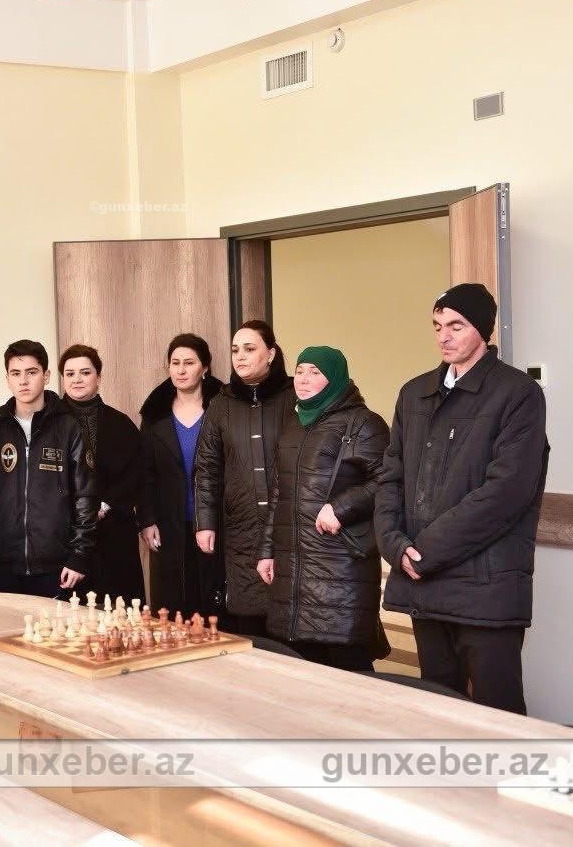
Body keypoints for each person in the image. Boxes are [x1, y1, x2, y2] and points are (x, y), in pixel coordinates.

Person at [375, 283, 549, 714]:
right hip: (424, 584)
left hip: (485, 586)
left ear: (483, 330)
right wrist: (394, 545)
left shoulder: (518, 393)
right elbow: (390, 477)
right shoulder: (414, 393)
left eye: (456, 326)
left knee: (497, 715)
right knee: (437, 709)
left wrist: (424, 552)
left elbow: (507, 492)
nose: (443, 336)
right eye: (437, 326)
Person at [256, 347, 391, 671]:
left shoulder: (364, 423)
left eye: (315, 372)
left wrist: (341, 508)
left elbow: (388, 480)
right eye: (300, 371)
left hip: (340, 564)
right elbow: (280, 493)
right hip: (294, 565)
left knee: (349, 666)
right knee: (304, 667)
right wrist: (267, 551)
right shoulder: (294, 424)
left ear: (335, 380)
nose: (303, 379)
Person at [0, 339, 96, 598]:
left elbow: (85, 496)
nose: (23, 381)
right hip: (0, 565)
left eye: (31, 372)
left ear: (46, 376)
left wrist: (79, 555)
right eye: (15, 373)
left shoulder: (69, 427)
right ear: (7, 379)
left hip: (56, 566)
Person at [192, 321, 295, 636]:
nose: (240, 356)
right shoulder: (221, 403)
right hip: (241, 526)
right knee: (250, 617)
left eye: (250, 349)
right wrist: (205, 521)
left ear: (271, 354)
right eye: (235, 350)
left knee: (292, 613)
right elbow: (207, 466)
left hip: (290, 522)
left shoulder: (294, 396)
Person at [137, 334, 225, 617]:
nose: (181, 370)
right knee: (171, 608)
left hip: (216, 522)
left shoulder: (224, 407)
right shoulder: (155, 413)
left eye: (189, 363)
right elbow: (145, 472)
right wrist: (147, 519)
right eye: (175, 363)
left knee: (212, 607)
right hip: (167, 523)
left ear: (205, 367)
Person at [59, 344, 145, 602]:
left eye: (85, 372)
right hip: (66, 534)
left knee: (118, 612)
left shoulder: (120, 423)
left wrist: (105, 505)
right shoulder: (48, 424)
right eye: (70, 373)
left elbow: (137, 473)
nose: (77, 379)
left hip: (114, 531)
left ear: (98, 377)